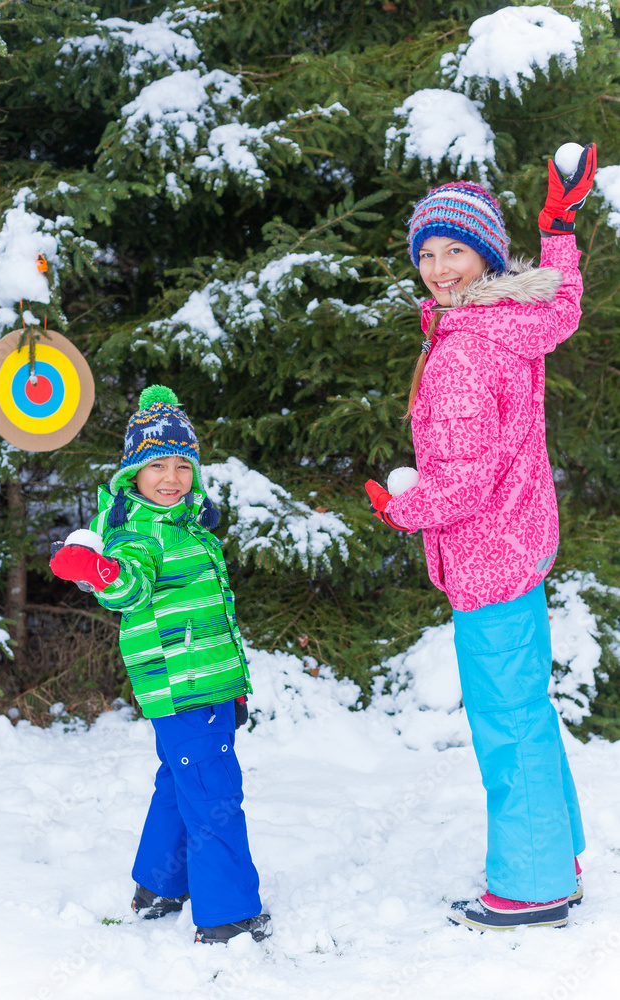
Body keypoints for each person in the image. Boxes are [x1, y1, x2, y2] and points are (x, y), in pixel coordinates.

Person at [365, 145, 597, 931]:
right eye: (425, 253)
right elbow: (561, 302)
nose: (436, 268)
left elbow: (460, 481)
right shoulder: (510, 319)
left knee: (506, 718)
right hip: (521, 539)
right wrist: (558, 227)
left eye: (453, 250)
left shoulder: (464, 351)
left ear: (486, 255)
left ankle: (533, 885)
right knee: (525, 703)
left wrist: (401, 508)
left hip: (488, 556)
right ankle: (552, 849)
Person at [50, 385, 271, 945]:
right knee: (215, 794)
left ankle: (159, 886)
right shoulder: (141, 532)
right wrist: (101, 573)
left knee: (180, 780)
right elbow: (129, 583)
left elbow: (213, 616)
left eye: (182, 464)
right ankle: (228, 915)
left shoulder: (187, 525)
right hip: (182, 686)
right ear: (133, 475)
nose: (171, 477)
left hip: (206, 683)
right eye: (156, 466)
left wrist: (233, 687)